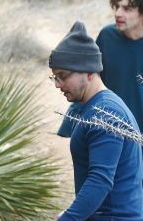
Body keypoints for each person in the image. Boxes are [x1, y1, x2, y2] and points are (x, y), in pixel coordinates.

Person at [49, 21, 143, 220]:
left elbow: (99, 181)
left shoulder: (106, 113)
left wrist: (69, 218)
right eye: (55, 77)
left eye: (62, 76)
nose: (58, 84)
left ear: (89, 72)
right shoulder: (95, 107)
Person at [58, 0, 143, 137]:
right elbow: (90, 80)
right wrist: (72, 120)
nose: (118, 13)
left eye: (126, 9)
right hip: (108, 126)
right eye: (116, 7)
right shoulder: (107, 36)